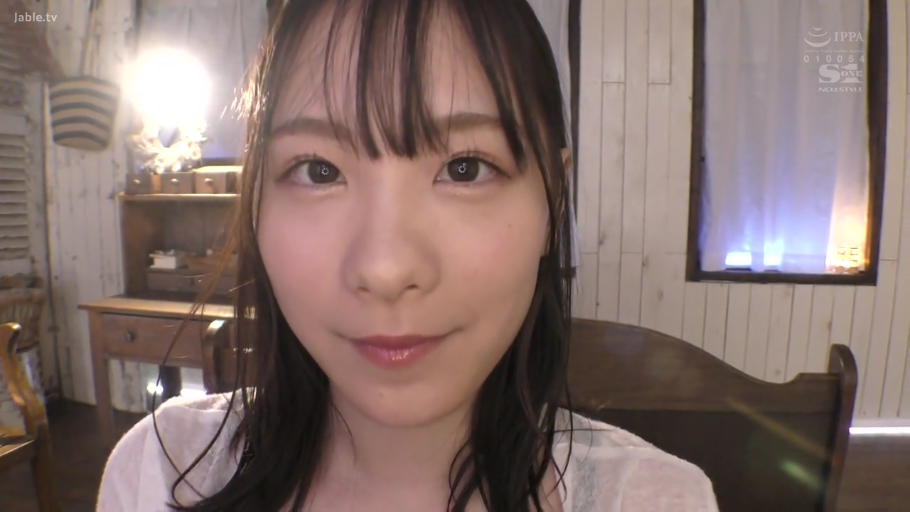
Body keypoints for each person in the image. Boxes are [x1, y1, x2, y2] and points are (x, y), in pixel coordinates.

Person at [97, 0, 719, 510]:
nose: (386, 269)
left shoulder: (656, 500)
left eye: (465, 167)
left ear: (554, 201)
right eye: (318, 170)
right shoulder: (161, 472)